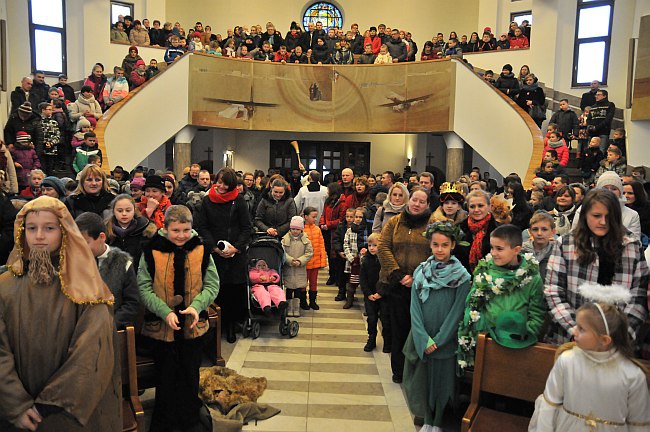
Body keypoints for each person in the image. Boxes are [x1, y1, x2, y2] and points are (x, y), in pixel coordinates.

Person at [0, 196, 119, 431]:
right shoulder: (5, 286)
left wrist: (50, 405)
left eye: (49, 228)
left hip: (67, 411)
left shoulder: (86, 286)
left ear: (65, 232)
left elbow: (91, 352)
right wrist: (16, 404)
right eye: (31, 229)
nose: (39, 236)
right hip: (14, 411)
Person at [138, 205, 219, 432]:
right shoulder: (151, 249)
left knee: (190, 376)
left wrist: (196, 306)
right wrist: (164, 312)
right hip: (161, 328)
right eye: (176, 230)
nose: (182, 236)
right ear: (165, 228)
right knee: (165, 377)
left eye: (186, 230)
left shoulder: (201, 249)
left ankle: (190, 421)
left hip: (193, 327)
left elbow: (212, 284)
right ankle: (166, 423)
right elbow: (143, 287)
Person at [546, 188, 649, 345]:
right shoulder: (565, 244)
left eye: (609, 217)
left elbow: (638, 297)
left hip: (616, 343)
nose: (603, 222)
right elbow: (554, 291)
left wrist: (621, 336)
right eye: (596, 216)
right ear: (585, 215)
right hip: (571, 338)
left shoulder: (632, 246)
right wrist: (577, 330)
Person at [529, 300, 650, 431]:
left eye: (581, 328)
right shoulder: (567, 360)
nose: (574, 331)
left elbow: (639, 423)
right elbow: (549, 406)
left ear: (604, 340)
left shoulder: (632, 375)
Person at [403, 222, 471, 431]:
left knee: (442, 384)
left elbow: (457, 312)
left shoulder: (462, 277)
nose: (439, 249)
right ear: (430, 245)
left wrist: (439, 340)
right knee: (424, 382)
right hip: (423, 338)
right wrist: (423, 338)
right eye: (435, 245)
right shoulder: (422, 272)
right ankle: (427, 419)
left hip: (444, 341)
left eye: (444, 245)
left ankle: (438, 421)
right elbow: (415, 308)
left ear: (453, 246)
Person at [457, 224, 545, 371]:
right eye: (492, 248)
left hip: (516, 342)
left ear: (516, 249)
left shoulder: (532, 277)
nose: (493, 253)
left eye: (499, 249)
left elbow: (537, 312)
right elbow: (472, 303)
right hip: (485, 339)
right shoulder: (485, 270)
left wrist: (525, 334)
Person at [377, 187, 434, 383]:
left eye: (422, 202)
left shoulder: (433, 224)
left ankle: (416, 369)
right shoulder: (394, 222)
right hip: (396, 284)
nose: (417, 204)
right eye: (414, 200)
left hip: (422, 286)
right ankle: (399, 370)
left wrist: (417, 276)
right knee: (398, 329)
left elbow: (437, 252)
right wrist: (399, 274)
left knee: (417, 328)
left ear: (427, 205)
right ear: (409, 201)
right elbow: (383, 247)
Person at [194, 167, 251, 343]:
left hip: (235, 254)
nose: (220, 186)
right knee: (217, 290)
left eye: (225, 184)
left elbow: (246, 227)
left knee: (234, 291)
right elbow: (203, 227)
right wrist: (214, 248)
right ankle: (218, 326)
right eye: (219, 182)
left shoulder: (239, 200)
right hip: (215, 253)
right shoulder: (207, 201)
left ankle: (232, 325)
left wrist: (236, 248)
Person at [76, 212, 140, 329]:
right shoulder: (74, 263)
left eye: (85, 242)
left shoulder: (123, 263)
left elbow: (132, 303)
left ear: (101, 237)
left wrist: (110, 324)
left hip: (112, 330)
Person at [106, 193, 156, 273]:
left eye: (128, 210)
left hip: (137, 275)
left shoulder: (145, 230)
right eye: (120, 210)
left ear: (134, 210)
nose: (124, 214)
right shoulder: (106, 231)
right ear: (113, 211)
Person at [360, 232, 391, 352]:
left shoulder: (385, 261)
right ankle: (371, 339)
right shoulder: (366, 261)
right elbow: (363, 279)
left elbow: (388, 279)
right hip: (370, 296)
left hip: (383, 295)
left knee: (385, 319)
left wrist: (381, 293)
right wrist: (368, 293)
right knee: (371, 319)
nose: (372, 248)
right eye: (369, 245)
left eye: (375, 245)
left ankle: (387, 341)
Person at [456, 190, 498, 272]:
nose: (476, 210)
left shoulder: (499, 230)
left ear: (489, 207)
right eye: (472, 206)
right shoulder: (459, 228)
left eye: (480, 206)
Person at [282, 216, 314, 318]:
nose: (295, 231)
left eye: (297, 229)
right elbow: (282, 252)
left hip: (300, 268)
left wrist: (300, 261)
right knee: (289, 289)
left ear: (301, 229)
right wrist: (290, 260)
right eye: (293, 229)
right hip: (289, 268)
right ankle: (289, 307)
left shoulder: (306, 240)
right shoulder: (285, 239)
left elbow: (309, 253)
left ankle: (296, 308)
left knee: (297, 290)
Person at [320, 182, 346, 286]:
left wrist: (328, 225)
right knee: (329, 255)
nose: (327, 192)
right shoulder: (328, 201)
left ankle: (338, 278)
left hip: (336, 232)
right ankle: (332, 275)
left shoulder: (342, 203)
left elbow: (341, 219)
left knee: (336, 256)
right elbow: (323, 213)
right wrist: (322, 223)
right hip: (326, 231)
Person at [343, 207, 369, 309]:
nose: (358, 219)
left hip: (364, 262)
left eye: (361, 217)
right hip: (352, 261)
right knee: (351, 283)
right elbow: (346, 245)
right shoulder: (349, 231)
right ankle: (349, 300)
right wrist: (351, 258)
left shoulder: (367, 230)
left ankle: (367, 306)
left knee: (365, 284)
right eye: (356, 217)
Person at [522, 211, 557, 281]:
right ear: (530, 232)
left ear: (553, 232)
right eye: (535, 229)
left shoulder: (557, 251)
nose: (539, 233)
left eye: (544, 229)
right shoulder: (522, 251)